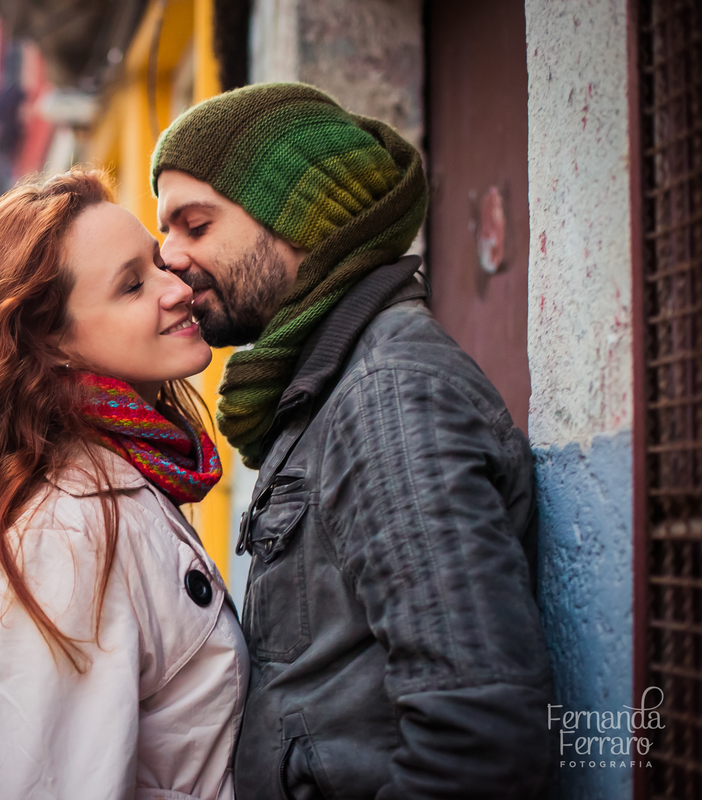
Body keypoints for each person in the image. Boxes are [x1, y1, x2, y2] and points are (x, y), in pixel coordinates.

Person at [152, 83, 553, 798]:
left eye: (196, 225)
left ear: (303, 216)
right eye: (166, 230)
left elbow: (479, 733)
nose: (169, 257)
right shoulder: (327, 390)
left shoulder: (386, 396)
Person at [0, 169, 248, 800]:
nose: (178, 287)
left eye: (158, 264)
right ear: (53, 344)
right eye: (132, 285)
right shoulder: (68, 531)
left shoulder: (126, 481)